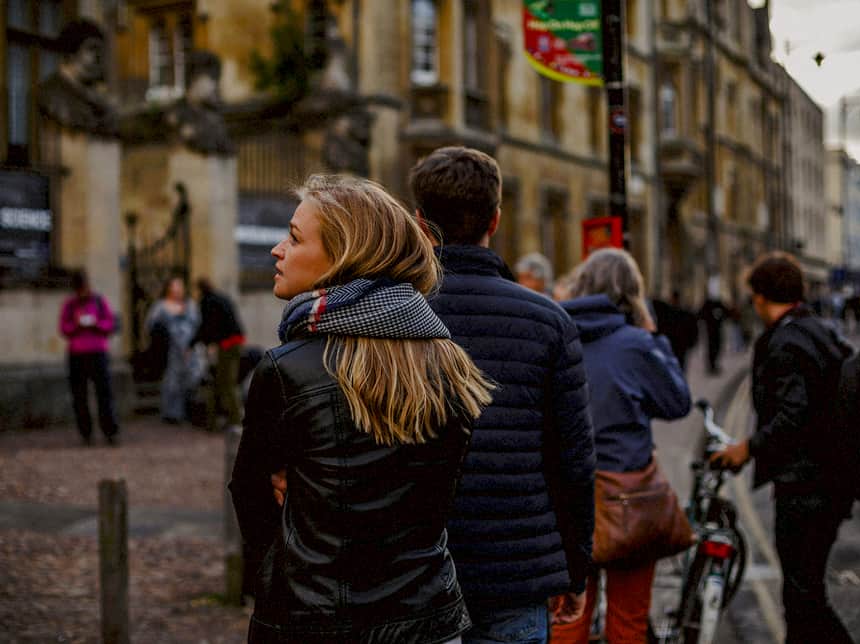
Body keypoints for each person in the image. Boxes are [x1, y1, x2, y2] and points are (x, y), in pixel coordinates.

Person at [229, 174, 493, 643]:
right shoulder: (450, 361)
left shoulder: (286, 369)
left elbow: (250, 493)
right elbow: (439, 496)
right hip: (428, 618)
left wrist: (286, 568)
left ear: (345, 257)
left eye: (293, 237)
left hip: (314, 621)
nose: (277, 250)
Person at [409, 146, 596, 643]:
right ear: (496, 217)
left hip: (413, 571)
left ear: (420, 225)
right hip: (516, 573)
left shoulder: (391, 317)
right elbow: (573, 461)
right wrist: (574, 570)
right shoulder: (549, 321)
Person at [711, 252, 855, 644]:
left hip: (807, 485)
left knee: (803, 595)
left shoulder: (786, 343)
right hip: (829, 479)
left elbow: (794, 414)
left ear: (760, 297)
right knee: (802, 593)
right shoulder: (816, 330)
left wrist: (748, 448)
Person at [553, 249, 691, 644]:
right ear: (633, 293)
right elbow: (677, 402)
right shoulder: (635, 344)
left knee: (566, 619)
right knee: (628, 620)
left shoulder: (556, 332)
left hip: (565, 493)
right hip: (628, 496)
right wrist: (654, 336)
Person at [58, 270, 119, 445]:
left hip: (98, 352)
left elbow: (109, 324)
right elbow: (64, 328)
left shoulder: (99, 301)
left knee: (104, 393)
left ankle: (110, 431)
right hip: (77, 354)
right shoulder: (70, 304)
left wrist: (96, 323)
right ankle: (86, 433)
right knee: (79, 396)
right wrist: (76, 325)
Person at [191, 278, 245, 430]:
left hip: (225, 345)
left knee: (226, 383)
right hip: (235, 341)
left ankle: (234, 419)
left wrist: (196, 343)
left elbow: (208, 326)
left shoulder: (207, 302)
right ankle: (225, 418)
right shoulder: (221, 298)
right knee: (224, 382)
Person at [145, 276, 200, 424]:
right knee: (172, 381)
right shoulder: (161, 306)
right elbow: (152, 326)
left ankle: (189, 410)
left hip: (189, 348)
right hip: (171, 350)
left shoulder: (190, 305)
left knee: (191, 378)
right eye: (174, 287)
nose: (177, 291)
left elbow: (197, 324)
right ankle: (172, 413)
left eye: (179, 287)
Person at [651, 289, 699, 370]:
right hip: (680, 345)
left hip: (673, 344)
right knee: (679, 365)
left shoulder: (668, 312)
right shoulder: (684, 313)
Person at [697, 279, 729, 375]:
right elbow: (701, 315)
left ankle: (714, 365)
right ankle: (711, 366)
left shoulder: (718, 303)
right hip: (710, 329)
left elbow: (726, 312)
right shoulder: (707, 304)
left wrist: (721, 316)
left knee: (717, 346)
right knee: (711, 348)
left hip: (717, 329)